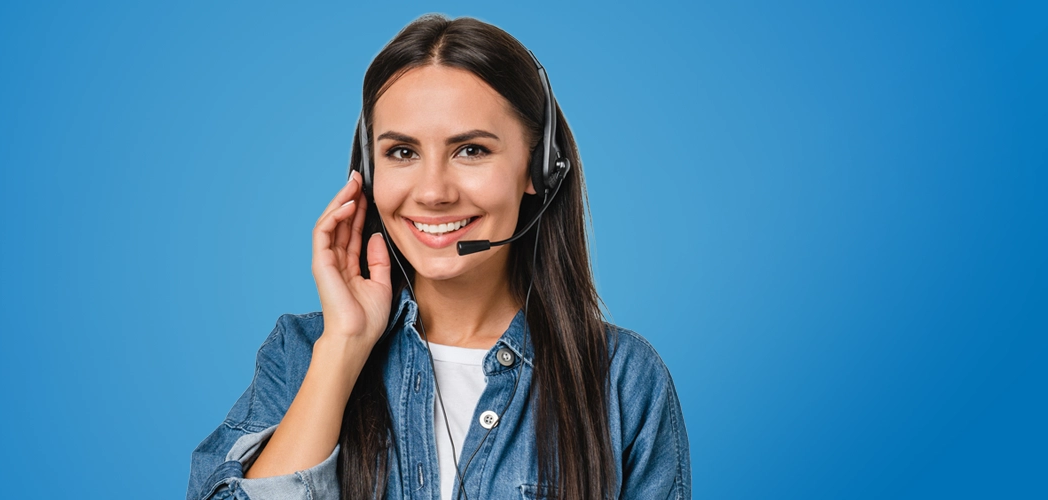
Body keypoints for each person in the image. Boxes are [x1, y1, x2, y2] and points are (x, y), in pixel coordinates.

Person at [186, 14, 690, 500]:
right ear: (368, 169)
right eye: (402, 152)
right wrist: (344, 346)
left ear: (539, 169)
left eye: (470, 150)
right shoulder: (300, 355)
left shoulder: (621, 379)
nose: (432, 192)